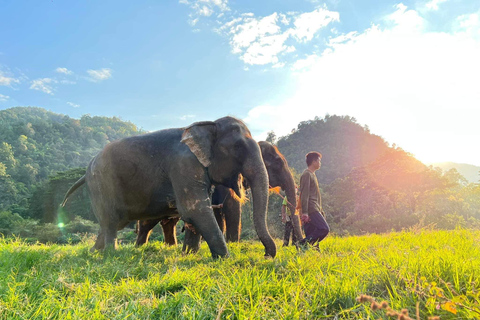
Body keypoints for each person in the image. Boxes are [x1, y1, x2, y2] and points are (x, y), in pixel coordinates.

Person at [298, 151, 329, 249]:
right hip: (311, 207)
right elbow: (304, 194)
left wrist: (320, 209)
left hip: (315, 207)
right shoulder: (307, 174)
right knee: (324, 229)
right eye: (319, 160)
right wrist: (305, 213)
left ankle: (308, 250)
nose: (320, 163)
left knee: (311, 233)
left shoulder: (312, 175)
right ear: (314, 161)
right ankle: (301, 244)